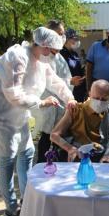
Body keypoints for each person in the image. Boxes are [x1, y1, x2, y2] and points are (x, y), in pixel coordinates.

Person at [0, 27, 77, 216]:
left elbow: (55, 82)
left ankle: (28, 198)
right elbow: (13, 93)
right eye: (54, 52)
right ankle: (12, 208)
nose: (55, 57)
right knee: (7, 158)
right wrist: (41, 102)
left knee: (27, 152)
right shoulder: (17, 57)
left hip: (18, 113)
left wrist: (69, 99)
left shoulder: (41, 61)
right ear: (44, 47)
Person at [51, 79, 109, 163]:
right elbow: (54, 135)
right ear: (89, 94)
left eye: (104, 99)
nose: (99, 102)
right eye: (96, 98)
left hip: (102, 154)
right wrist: (70, 149)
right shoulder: (75, 110)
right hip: (78, 154)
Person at [34, 20, 73, 164]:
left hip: (60, 102)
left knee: (58, 137)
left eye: (63, 34)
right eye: (60, 33)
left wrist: (69, 91)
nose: (62, 37)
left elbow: (57, 79)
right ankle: (42, 166)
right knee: (47, 137)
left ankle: (57, 164)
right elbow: (48, 81)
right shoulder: (42, 55)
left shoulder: (57, 55)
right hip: (48, 104)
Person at [60, 28, 87, 102]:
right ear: (66, 40)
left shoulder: (74, 54)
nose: (77, 41)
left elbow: (78, 69)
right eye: (74, 38)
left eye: (77, 38)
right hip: (69, 91)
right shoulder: (61, 54)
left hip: (80, 91)